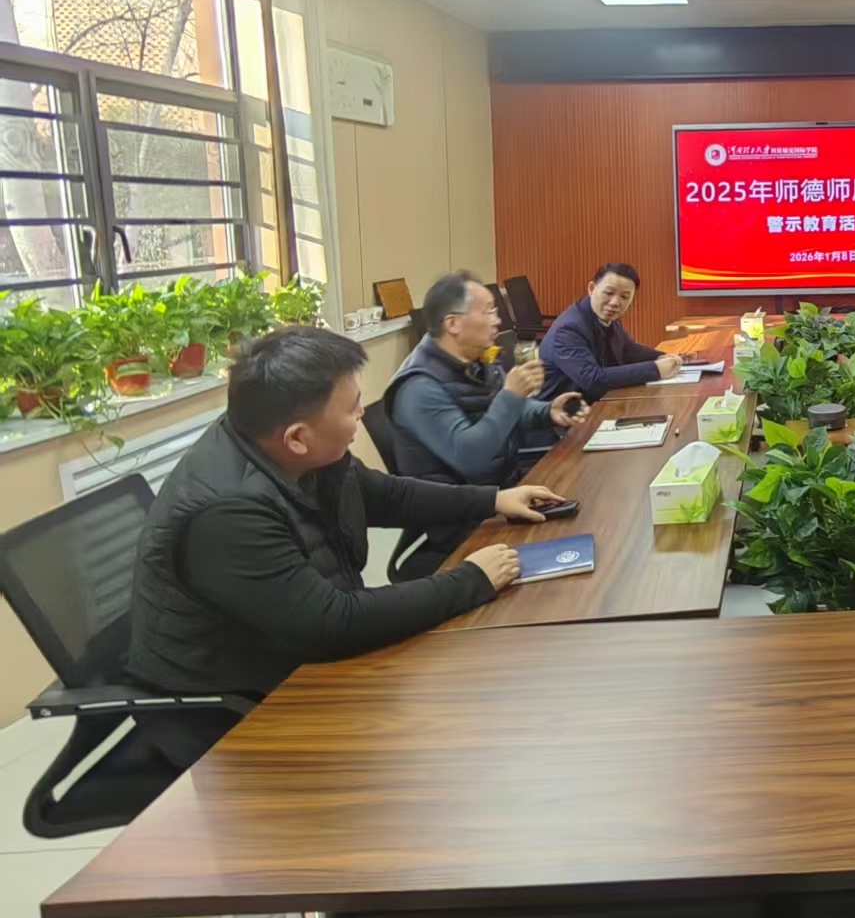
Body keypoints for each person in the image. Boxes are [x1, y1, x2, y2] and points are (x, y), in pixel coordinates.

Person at [127, 327, 561, 770]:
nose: (362, 416)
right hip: (234, 712)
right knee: (451, 739)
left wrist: (493, 500)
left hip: (290, 654)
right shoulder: (228, 514)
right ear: (298, 437)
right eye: (352, 408)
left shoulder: (289, 449)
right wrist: (471, 579)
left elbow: (387, 495)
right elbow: (333, 622)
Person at [385, 272, 588, 488]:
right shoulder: (418, 388)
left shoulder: (476, 359)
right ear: (453, 323)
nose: (497, 321)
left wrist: (547, 411)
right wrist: (511, 395)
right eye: (488, 312)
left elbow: (503, 413)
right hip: (461, 505)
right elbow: (471, 459)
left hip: (501, 487)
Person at [538, 262, 682, 401]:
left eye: (624, 297)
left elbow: (626, 349)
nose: (615, 302)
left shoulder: (605, 316)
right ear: (591, 289)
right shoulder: (568, 330)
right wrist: (655, 369)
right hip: (561, 412)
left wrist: (663, 357)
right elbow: (593, 380)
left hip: (593, 403)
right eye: (608, 293)